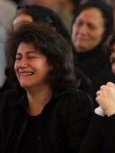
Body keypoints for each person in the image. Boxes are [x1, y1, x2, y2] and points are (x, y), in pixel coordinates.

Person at [0, 23, 92, 152]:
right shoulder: (7, 101)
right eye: (18, 58)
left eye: (31, 57)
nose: (21, 64)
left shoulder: (76, 103)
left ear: (53, 64)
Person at [7, 5, 95, 98]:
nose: (19, 35)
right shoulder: (9, 92)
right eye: (15, 29)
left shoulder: (78, 93)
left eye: (26, 28)